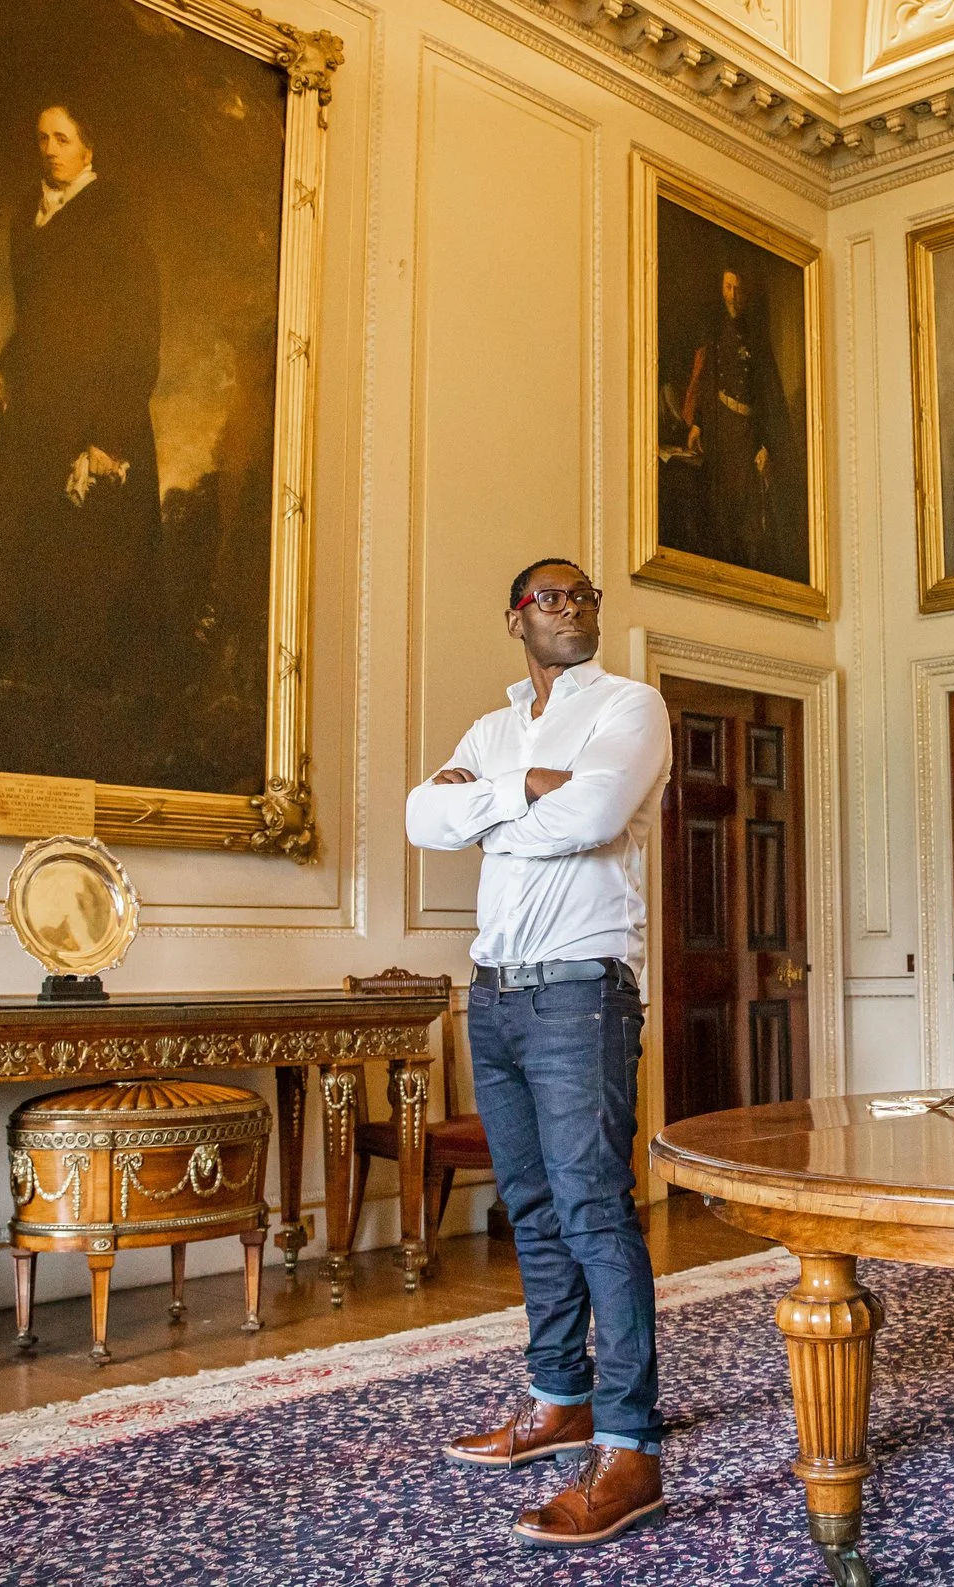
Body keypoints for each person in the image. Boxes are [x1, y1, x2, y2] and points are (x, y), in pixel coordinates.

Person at [404, 559, 673, 1549]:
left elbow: (595, 817)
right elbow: (420, 817)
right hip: (497, 994)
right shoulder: (491, 728)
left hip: (578, 992)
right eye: (550, 597)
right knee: (530, 1204)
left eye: (583, 596)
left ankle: (629, 1444)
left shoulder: (630, 707)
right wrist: (522, 785)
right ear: (515, 617)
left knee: (593, 1205)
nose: (571, 609)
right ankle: (556, 1397)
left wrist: (490, 809)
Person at [0, 102, 163, 760]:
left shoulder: (116, 217)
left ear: (90, 146)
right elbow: (41, 323)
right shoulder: (28, 217)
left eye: (62, 138)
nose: (50, 149)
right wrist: (5, 366)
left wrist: (108, 439)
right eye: (41, 138)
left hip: (97, 414)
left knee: (82, 572)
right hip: (36, 412)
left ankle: (69, 735)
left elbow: (141, 334)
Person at [679, 266, 792, 575]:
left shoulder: (757, 337)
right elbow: (706, 381)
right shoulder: (715, 334)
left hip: (749, 430)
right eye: (728, 287)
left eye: (738, 289)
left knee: (749, 504)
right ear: (721, 289)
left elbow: (767, 394)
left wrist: (767, 443)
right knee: (721, 499)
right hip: (721, 428)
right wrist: (699, 422)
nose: (733, 296)